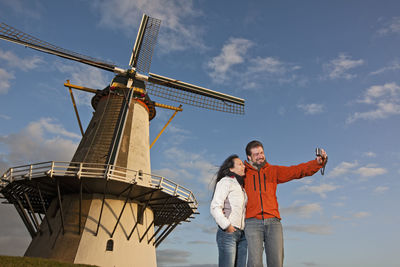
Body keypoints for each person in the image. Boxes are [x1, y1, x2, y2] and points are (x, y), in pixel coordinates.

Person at [243, 140, 327, 267]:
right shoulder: (243, 173)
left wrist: (317, 163)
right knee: (254, 263)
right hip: (252, 222)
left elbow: (296, 171)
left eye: (261, 152)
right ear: (249, 157)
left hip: (273, 222)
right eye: (256, 154)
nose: (260, 156)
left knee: (276, 262)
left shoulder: (273, 170)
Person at [210, 155, 248, 267]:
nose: (244, 166)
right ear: (231, 169)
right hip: (228, 233)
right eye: (240, 164)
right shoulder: (225, 182)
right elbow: (215, 206)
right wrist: (227, 226)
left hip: (243, 235)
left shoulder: (242, 188)